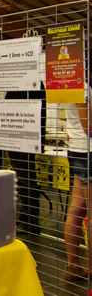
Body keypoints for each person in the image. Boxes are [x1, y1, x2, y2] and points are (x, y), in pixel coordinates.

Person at [5, 84, 46, 236]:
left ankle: (30, 222)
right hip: (20, 138)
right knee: (24, 180)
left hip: (22, 138)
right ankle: (26, 219)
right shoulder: (26, 82)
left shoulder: (26, 83)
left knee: (27, 181)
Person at [62, 99, 91, 281]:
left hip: (78, 149)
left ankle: (73, 266)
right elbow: (88, 126)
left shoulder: (75, 81)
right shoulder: (84, 85)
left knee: (76, 209)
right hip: (87, 152)